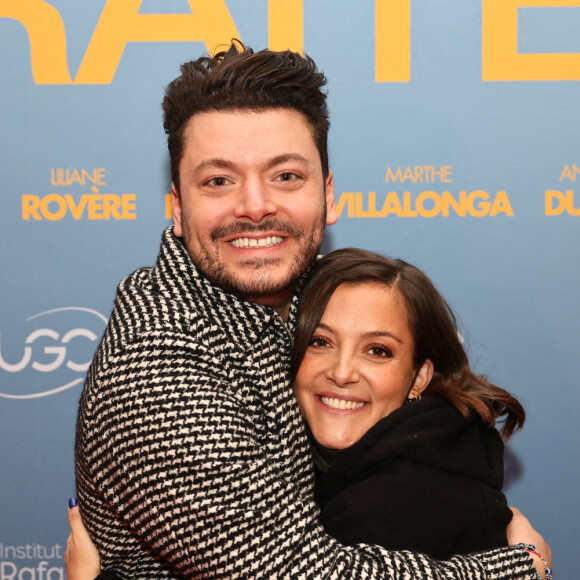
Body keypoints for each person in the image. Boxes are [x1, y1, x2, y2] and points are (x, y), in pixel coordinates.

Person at [73, 40, 550, 578]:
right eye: (218, 181)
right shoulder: (157, 361)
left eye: (286, 176)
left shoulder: (320, 299)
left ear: (328, 193)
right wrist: (514, 571)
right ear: (179, 208)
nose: (254, 206)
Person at [292, 248, 525, 559]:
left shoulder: (386, 509)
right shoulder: (442, 456)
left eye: (377, 351)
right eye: (319, 342)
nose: (342, 372)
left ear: (418, 377)